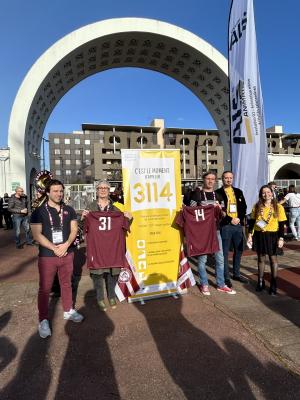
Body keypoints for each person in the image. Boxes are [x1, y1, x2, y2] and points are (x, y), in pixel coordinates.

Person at [30, 179, 84, 338]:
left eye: (61, 191)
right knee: (45, 288)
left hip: (67, 253)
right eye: (55, 191)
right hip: (48, 256)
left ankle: (68, 310)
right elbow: (36, 234)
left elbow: (74, 229)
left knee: (66, 283)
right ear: (47, 192)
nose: (59, 194)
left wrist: (66, 245)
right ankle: (43, 320)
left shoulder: (69, 209)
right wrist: (55, 248)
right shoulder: (39, 211)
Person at [82, 180, 132, 311]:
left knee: (113, 272)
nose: (103, 190)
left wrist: (129, 218)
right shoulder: (91, 206)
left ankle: (111, 296)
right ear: (97, 190)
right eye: (100, 188)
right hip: (97, 247)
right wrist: (83, 218)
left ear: (109, 190)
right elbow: (83, 227)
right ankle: (99, 298)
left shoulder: (116, 208)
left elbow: (124, 226)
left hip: (112, 246)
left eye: (105, 188)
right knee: (97, 274)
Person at [189, 171, 236, 295]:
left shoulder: (219, 196)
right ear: (203, 180)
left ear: (215, 181)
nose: (210, 181)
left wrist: (221, 210)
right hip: (202, 233)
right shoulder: (197, 195)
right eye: (208, 179)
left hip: (216, 231)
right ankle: (204, 284)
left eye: (213, 179)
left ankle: (221, 284)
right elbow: (191, 212)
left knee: (220, 259)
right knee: (202, 260)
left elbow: (224, 214)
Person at [247, 185, 287, 295]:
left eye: (268, 192)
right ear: (261, 194)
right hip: (259, 235)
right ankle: (260, 281)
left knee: (273, 259)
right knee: (261, 258)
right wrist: (250, 234)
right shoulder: (257, 206)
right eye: (263, 192)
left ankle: (273, 283)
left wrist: (281, 238)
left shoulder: (278, 207)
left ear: (272, 193)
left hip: (273, 235)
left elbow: (282, 223)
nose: (266, 194)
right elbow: (252, 221)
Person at [216, 171, 247, 288]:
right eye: (226, 178)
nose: (228, 180)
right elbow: (219, 211)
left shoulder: (238, 192)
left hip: (238, 225)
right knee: (224, 252)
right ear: (222, 179)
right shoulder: (217, 193)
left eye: (230, 178)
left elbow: (244, 207)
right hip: (226, 225)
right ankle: (226, 277)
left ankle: (236, 274)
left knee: (238, 251)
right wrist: (230, 219)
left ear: (233, 179)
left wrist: (239, 218)